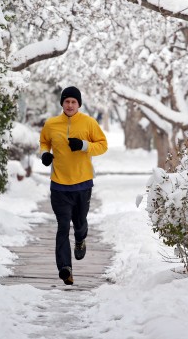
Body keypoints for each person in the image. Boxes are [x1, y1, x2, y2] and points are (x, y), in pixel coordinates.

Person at [39, 86, 108, 285]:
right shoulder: (51, 124)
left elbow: (103, 145)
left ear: (79, 104)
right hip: (59, 185)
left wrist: (84, 146)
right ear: (62, 103)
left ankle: (80, 239)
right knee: (62, 227)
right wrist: (44, 154)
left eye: (73, 102)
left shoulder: (89, 122)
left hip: (83, 184)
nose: (70, 105)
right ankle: (65, 268)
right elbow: (44, 142)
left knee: (79, 223)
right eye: (67, 101)